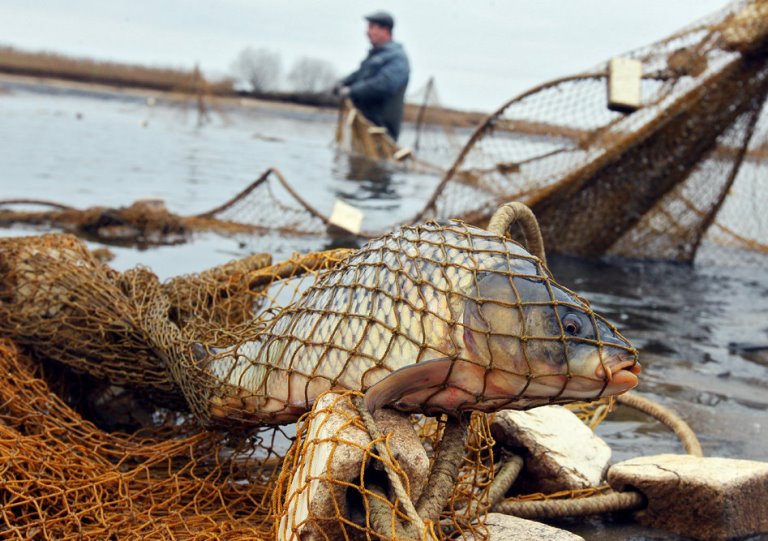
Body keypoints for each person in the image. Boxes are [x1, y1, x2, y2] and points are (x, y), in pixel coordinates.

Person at [336, 11, 410, 141]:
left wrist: (351, 91)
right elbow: (358, 75)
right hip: (364, 126)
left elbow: (383, 84)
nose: (367, 32)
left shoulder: (397, 58)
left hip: (381, 130)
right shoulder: (374, 57)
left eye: (371, 27)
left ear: (385, 30)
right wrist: (341, 84)